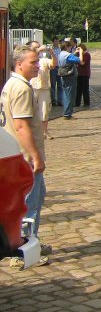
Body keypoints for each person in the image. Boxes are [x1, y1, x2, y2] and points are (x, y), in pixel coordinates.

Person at [1, 45, 51, 267]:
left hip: (16, 155)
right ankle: (22, 249)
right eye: (33, 62)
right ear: (19, 64)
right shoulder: (21, 88)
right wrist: (36, 157)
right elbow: (21, 126)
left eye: (38, 61)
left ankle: (32, 242)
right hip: (24, 157)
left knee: (37, 197)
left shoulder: (11, 84)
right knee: (29, 205)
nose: (38, 65)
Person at [27, 41, 54, 140]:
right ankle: (31, 131)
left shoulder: (44, 60)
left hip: (44, 88)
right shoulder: (27, 58)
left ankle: (44, 131)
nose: (39, 49)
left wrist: (52, 53)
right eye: (35, 47)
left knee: (44, 110)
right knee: (29, 110)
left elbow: (54, 64)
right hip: (32, 87)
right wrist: (36, 51)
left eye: (38, 47)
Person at [57, 38, 80, 119]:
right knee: (70, 95)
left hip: (63, 75)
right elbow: (79, 60)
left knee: (66, 93)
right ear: (67, 47)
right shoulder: (67, 55)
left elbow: (69, 57)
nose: (71, 48)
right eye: (70, 47)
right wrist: (80, 52)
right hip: (69, 76)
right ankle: (67, 114)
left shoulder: (61, 54)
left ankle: (67, 112)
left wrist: (74, 52)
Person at [74, 43, 91, 108]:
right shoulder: (78, 55)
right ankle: (77, 103)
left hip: (85, 74)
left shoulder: (87, 55)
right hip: (79, 74)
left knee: (85, 89)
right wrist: (76, 52)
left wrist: (81, 53)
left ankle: (86, 102)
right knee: (78, 89)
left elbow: (82, 63)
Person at [49, 37, 62, 107]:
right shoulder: (51, 50)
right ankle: (53, 100)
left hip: (59, 68)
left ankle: (60, 100)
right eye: (55, 41)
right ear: (53, 42)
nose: (56, 43)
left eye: (57, 41)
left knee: (60, 85)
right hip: (53, 68)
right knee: (53, 85)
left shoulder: (60, 49)